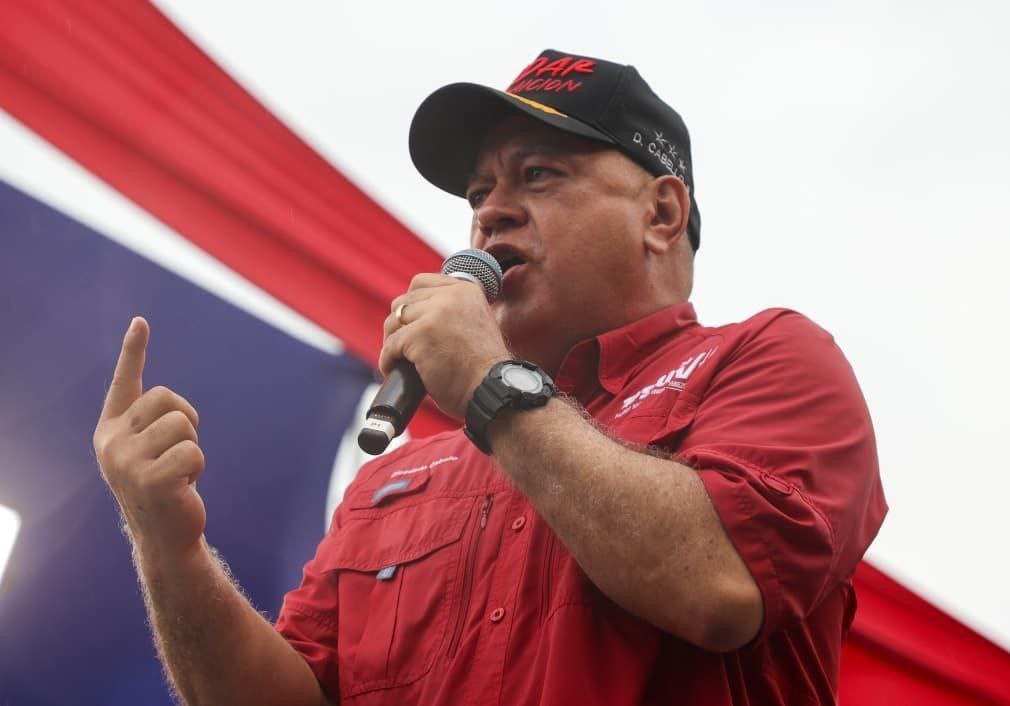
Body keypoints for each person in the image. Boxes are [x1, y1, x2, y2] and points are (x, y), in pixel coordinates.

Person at [93, 49, 887, 706]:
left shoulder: (770, 361)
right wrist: (168, 548)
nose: (489, 212)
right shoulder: (392, 481)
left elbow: (718, 585)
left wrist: (486, 379)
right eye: (479, 192)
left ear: (661, 214)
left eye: (537, 175)